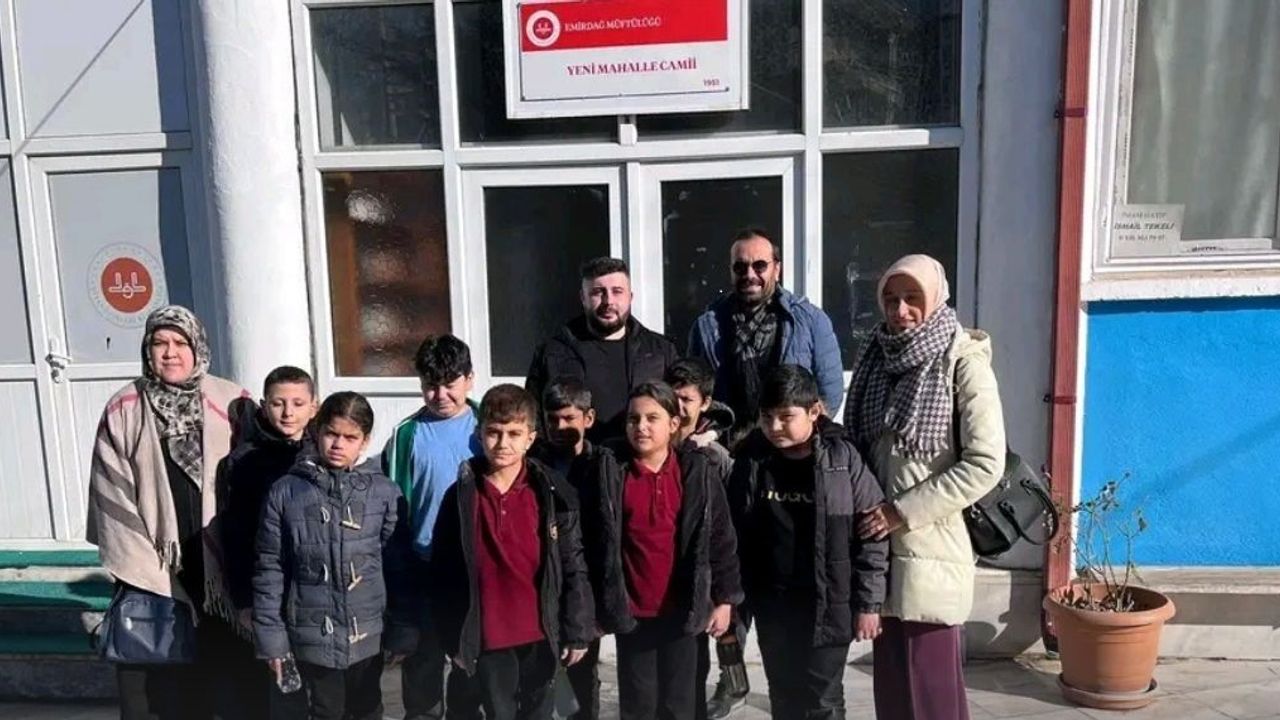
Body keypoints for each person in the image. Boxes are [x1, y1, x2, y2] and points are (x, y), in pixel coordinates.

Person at [843, 254, 1006, 720]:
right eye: (891, 299)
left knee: (932, 698)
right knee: (894, 695)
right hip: (878, 553)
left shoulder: (962, 361)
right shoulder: (875, 359)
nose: (901, 310)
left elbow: (985, 463)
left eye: (913, 297)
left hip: (931, 549)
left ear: (936, 297)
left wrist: (902, 511)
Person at [86, 305, 255, 720]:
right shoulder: (124, 408)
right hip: (155, 566)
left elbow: (257, 472)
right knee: (160, 689)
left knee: (227, 681)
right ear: (147, 349)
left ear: (198, 348)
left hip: (222, 566)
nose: (170, 352)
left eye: (180, 342)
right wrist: (147, 569)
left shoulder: (233, 400)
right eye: (159, 343)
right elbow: (111, 492)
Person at [728, 366, 889, 720]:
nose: (775, 427)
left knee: (823, 700)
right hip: (773, 606)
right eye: (767, 417)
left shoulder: (843, 458)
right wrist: (733, 603)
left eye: (786, 417)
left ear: (814, 411)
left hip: (829, 605)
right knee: (783, 695)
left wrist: (869, 603)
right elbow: (733, 537)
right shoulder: (751, 458)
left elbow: (873, 536)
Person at [577, 382, 742, 720]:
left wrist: (725, 599)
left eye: (652, 418)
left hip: (683, 613)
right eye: (634, 419)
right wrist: (596, 607)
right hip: (634, 614)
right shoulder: (611, 472)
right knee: (639, 705)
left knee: (681, 706)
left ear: (673, 424)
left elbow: (721, 539)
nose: (641, 427)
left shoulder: (696, 472)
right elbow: (593, 543)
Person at [429, 384, 594, 720]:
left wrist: (577, 629)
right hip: (488, 637)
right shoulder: (460, 496)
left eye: (514, 434)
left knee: (539, 713)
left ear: (530, 438)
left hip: (540, 635)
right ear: (479, 434)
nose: (503, 443)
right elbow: (442, 574)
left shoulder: (552, 493)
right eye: (494, 432)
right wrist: (451, 639)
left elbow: (573, 564)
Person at [253, 391, 414, 720]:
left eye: (350, 437)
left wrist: (402, 628)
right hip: (312, 634)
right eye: (331, 434)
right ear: (317, 431)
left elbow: (399, 568)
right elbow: (269, 568)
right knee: (326, 710)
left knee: (368, 708)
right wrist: (272, 639)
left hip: (367, 633)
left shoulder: (383, 493)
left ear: (365, 441)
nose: (338, 444)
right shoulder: (286, 491)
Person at [382, 334, 484, 720]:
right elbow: (393, 504)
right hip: (423, 565)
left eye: (450, 383)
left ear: (469, 379)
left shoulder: (488, 427)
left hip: (472, 568)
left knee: (469, 668)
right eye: (430, 384)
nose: (440, 394)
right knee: (422, 669)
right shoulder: (406, 435)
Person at [220, 365, 318, 720]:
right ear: (264, 406)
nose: (288, 412)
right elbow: (235, 533)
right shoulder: (244, 461)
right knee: (283, 688)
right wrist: (243, 599)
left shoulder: (326, 454)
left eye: (298, 403)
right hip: (271, 593)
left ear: (314, 406)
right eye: (278, 403)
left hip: (319, 591)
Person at [687, 229, 844, 446]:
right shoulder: (707, 327)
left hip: (790, 449)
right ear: (731, 271)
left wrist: (802, 443)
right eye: (740, 267)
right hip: (728, 449)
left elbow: (830, 393)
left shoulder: (810, 321)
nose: (750, 275)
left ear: (776, 269)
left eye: (759, 265)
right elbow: (695, 392)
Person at [527, 257, 678, 444]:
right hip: (575, 459)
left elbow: (681, 408)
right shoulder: (553, 351)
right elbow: (532, 416)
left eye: (617, 292)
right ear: (583, 298)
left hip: (638, 459)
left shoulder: (660, 351)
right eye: (598, 292)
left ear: (630, 297)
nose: (608, 301)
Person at [529, 378, 605, 720]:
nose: (560, 427)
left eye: (569, 418)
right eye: (553, 419)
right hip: (543, 584)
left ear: (588, 418)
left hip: (586, 588)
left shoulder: (602, 464)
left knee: (581, 678)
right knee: (540, 680)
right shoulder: (532, 463)